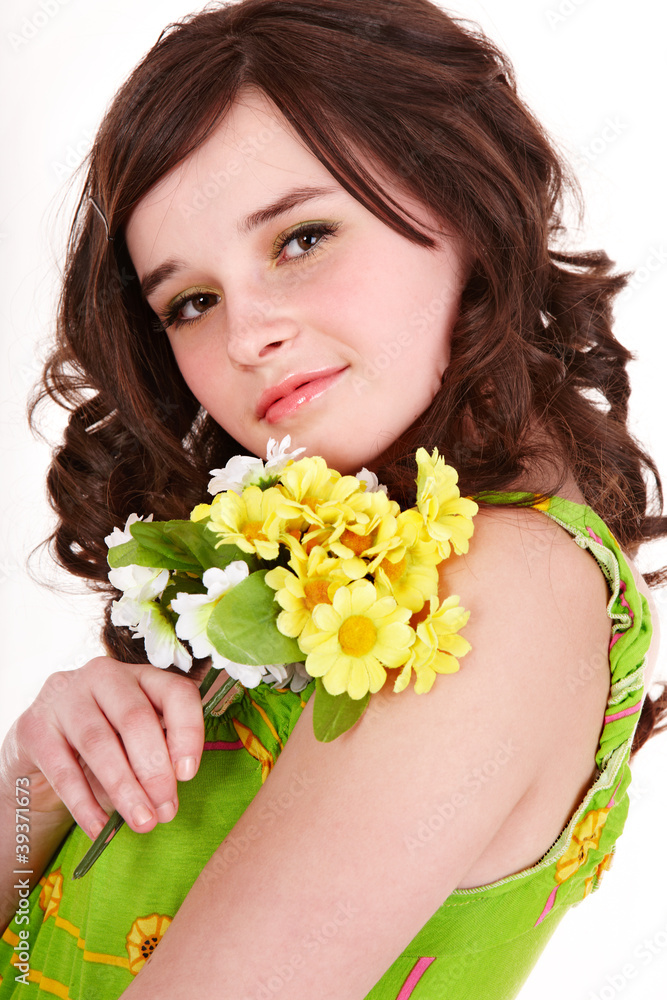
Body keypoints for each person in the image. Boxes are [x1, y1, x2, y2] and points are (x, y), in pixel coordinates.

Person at [0, 0, 665, 997]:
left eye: (301, 238)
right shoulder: (350, 561)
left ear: (465, 209)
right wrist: (35, 783)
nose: (244, 336)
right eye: (191, 300)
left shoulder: (491, 589)